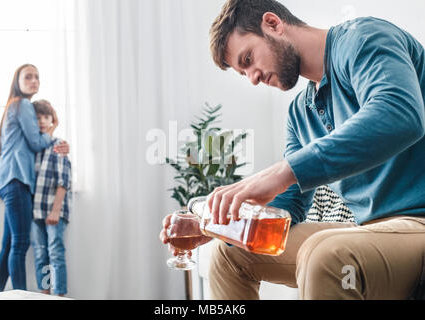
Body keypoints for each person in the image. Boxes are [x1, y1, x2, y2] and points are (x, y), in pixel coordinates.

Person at [161, 0, 425, 299]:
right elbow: (288, 205)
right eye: (242, 73)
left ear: (273, 24)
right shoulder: (300, 113)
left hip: (418, 222)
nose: (253, 78)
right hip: (367, 229)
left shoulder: (364, 38)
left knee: (324, 254)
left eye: (248, 59)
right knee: (228, 255)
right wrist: (215, 225)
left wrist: (283, 172)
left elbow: (400, 115)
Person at [0, 64, 69, 292]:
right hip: (17, 180)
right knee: (20, 244)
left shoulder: (13, 106)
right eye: (28, 77)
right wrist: (53, 132)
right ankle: (21, 296)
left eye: (37, 77)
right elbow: (36, 142)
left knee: (8, 246)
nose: (34, 80)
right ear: (17, 81)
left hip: (8, 180)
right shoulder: (23, 105)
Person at [30, 100, 72, 297]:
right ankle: (43, 294)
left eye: (45, 117)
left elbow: (63, 181)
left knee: (55, 251)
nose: (41, 121)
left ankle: (59, 295)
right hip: (35, 210)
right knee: (40, 254)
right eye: (37, 117)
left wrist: (55, 210)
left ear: (52, 120)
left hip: (54, 209)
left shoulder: (58, 146)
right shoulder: (33, 148)